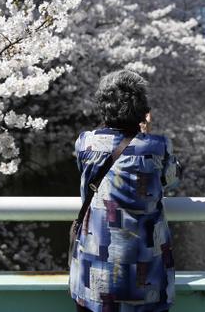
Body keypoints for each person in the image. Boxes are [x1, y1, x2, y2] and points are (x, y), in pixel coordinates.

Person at [69, 69, 182, 312]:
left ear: (103, 106)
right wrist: (146, 135)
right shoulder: (157, 146)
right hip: (146, 276)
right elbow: (171, 178)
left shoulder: (85, 142)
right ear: (142, 110)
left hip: (94, 278)